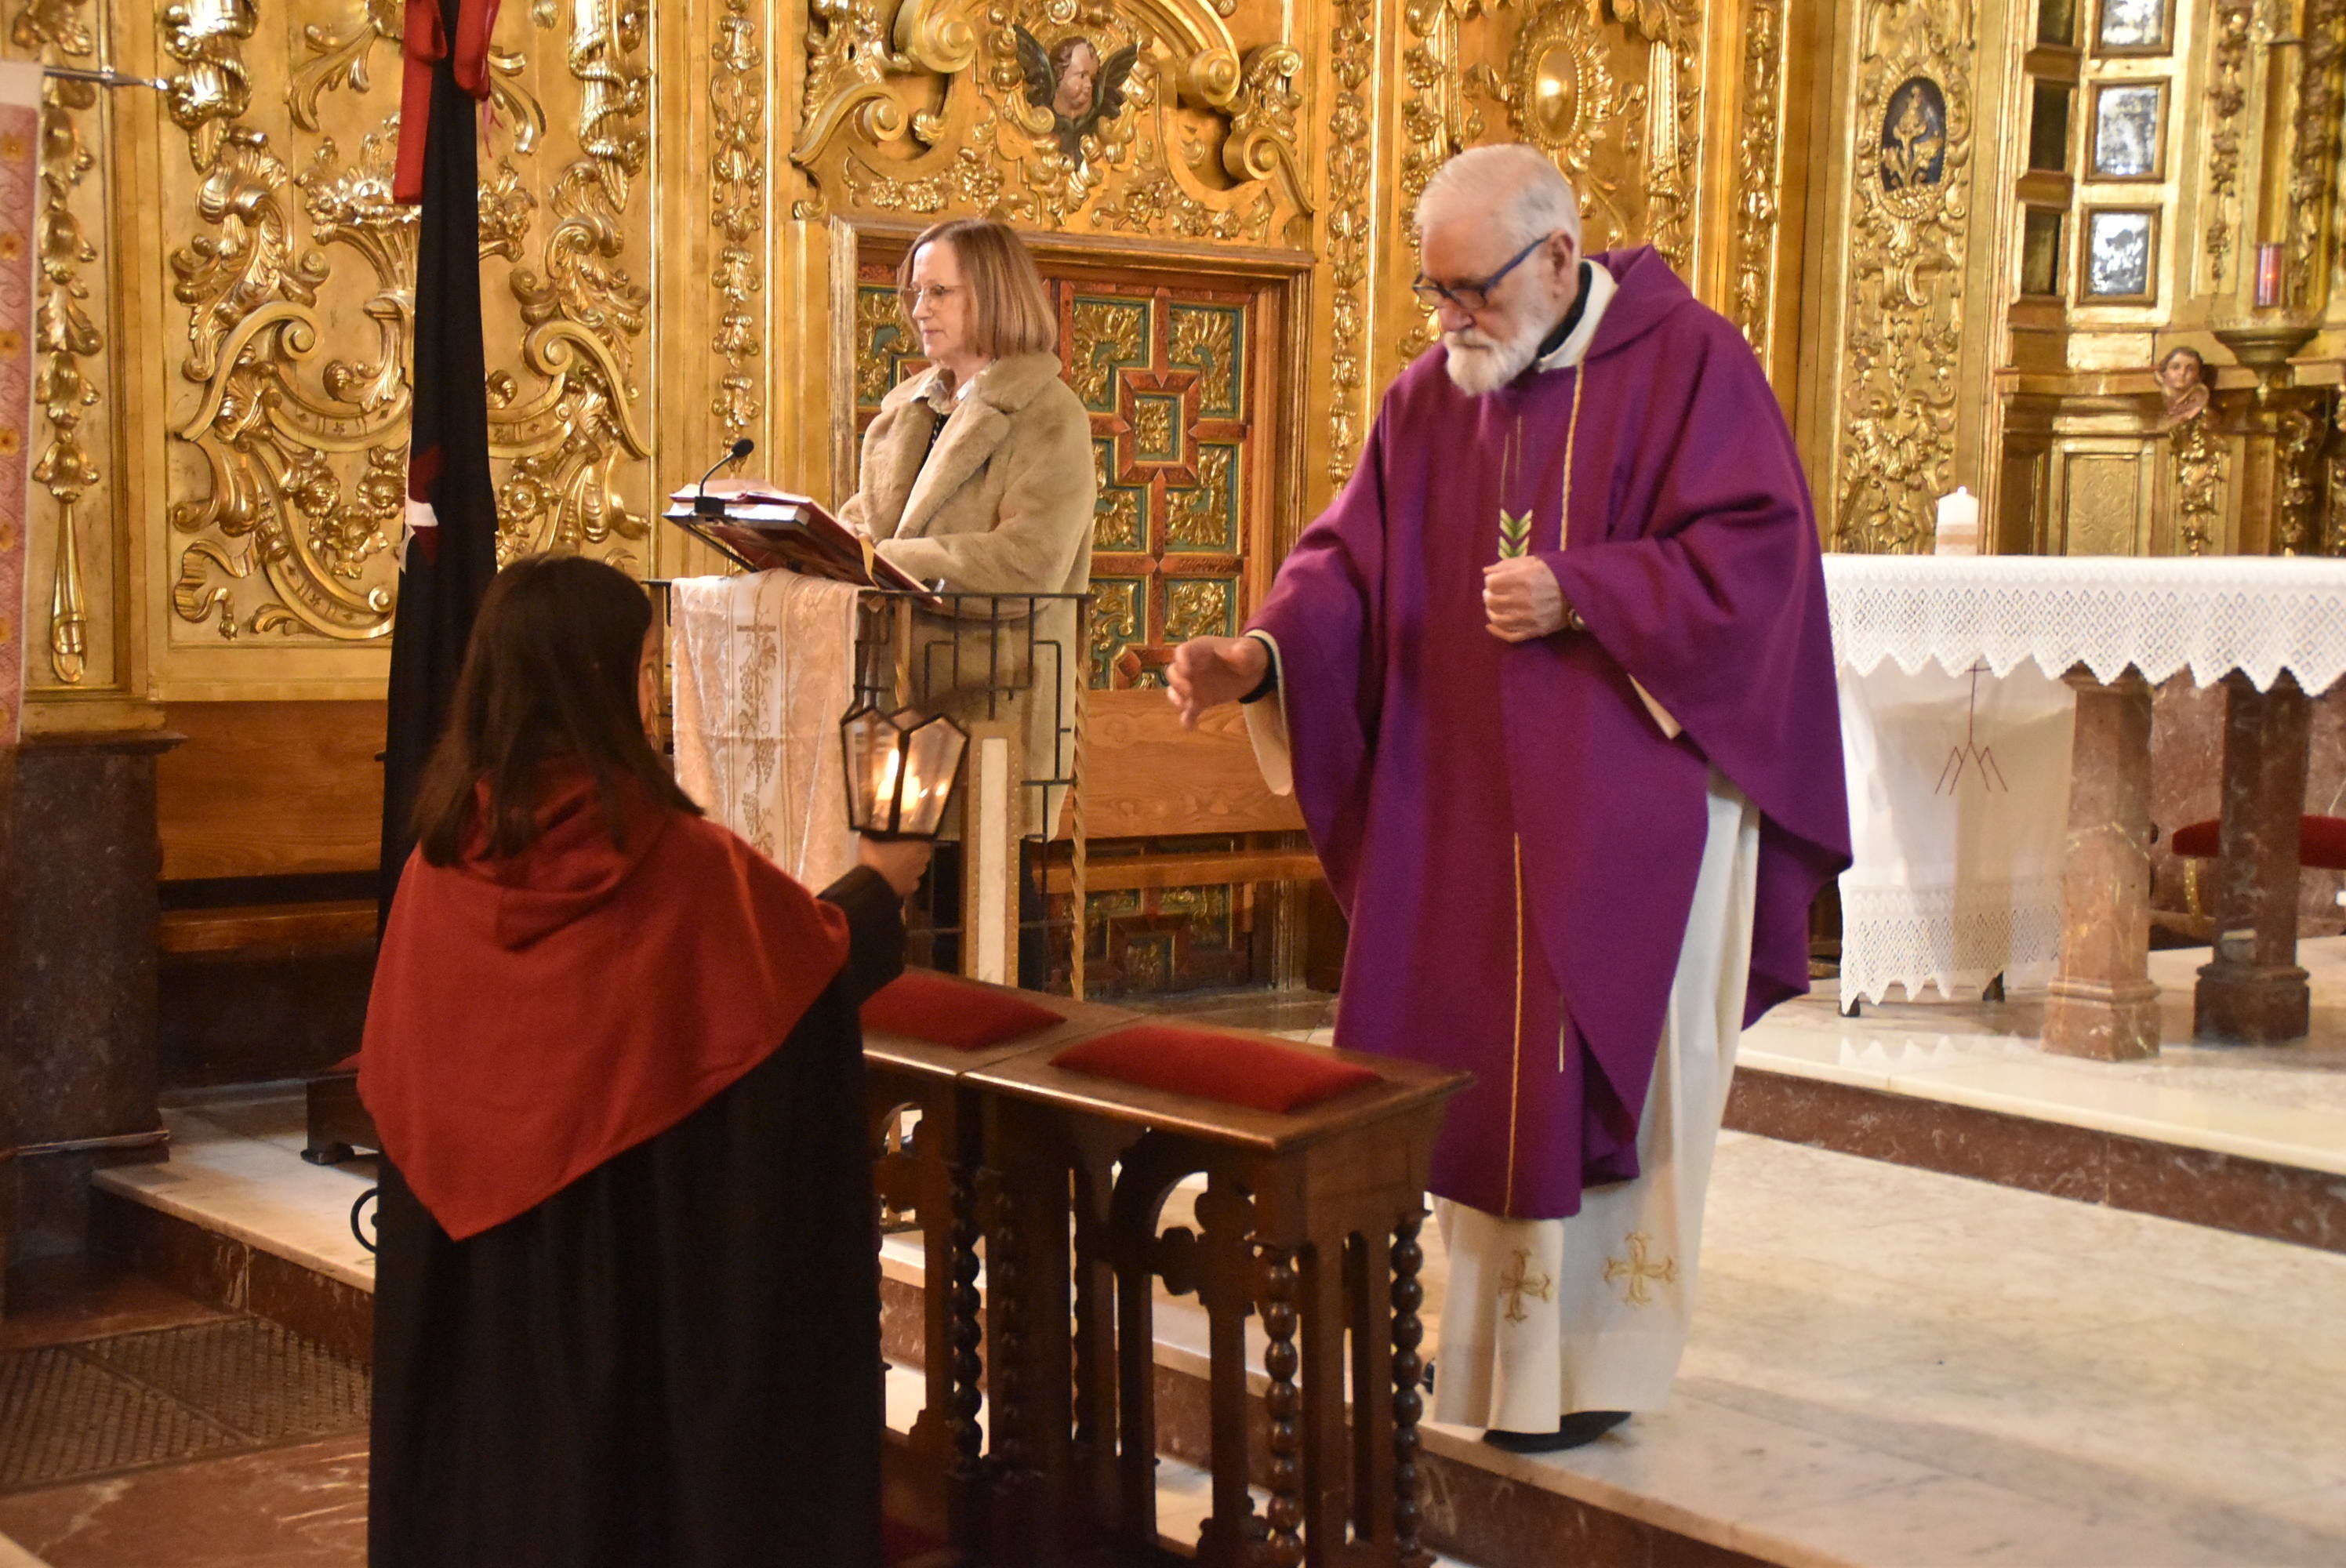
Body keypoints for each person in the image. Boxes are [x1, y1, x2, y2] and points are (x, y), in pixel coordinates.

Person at [1168, 144, 1850, 1452]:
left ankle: (1594, 1367)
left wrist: (1583, 591)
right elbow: (1345, 564)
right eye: (1430, 295)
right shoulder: (1432, 397)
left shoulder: (1691, 362)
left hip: (1633, 818)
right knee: (1474, 1071)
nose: (1446, 322)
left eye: (1466, 292)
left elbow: (1760, 563)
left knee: (1601, 1079)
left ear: (1552, 256)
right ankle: (1485, 1360)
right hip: (1472, 814)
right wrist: (1256, 653)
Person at [361, 554, 930, 1566]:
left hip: (482, 1309)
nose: (656, 696)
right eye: (646, 670)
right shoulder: (677, 864)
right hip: (632, 1313)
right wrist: (884, 883)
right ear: (602, 682)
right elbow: (803, 977)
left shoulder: (436, 865)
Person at [841, 216, 1095, 979]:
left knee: (987, 936)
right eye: (916, 291)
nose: (920, 307)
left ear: (991, 294)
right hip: (901, 699)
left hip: (997, 706)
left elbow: (1029, 560)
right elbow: (866, 522)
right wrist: (819, 543)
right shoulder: (906, 409)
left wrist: (881, 560)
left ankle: (1014, 1086)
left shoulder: (1048, 414)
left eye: (939, 291)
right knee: (902, 928)